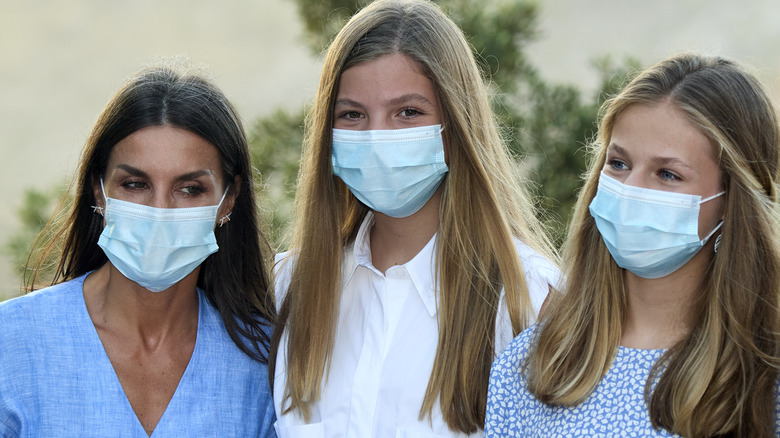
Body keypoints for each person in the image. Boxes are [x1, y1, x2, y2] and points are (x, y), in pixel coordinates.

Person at [270, 0, 560, 436]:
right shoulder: (289, 286)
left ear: (455, 125)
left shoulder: (526, 301)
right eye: (352, 114)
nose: (377, 137)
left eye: (408, 112)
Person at [485, 53, 780, 437]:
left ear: (732, 202)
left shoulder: (764, 381)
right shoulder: (532, 362)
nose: (630, 189)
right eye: (619, 164)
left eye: (668, 174)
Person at [0, 65, 277, 437]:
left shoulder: (264, 359)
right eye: (135, 184)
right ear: (99, 191)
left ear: (228, 201)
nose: (159, 210)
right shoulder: (12, 342)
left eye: (190, 188)